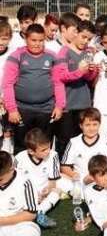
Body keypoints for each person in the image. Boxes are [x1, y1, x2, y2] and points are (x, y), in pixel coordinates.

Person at [3, 24, 64, 154]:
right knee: (22, 145)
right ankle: (21, 173)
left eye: (41, 40)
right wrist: (12, 109)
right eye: (33, 40)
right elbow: (7, 85)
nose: (37, 44)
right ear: (26, 39)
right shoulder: (16, 56)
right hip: (22, 110)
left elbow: (58, 83)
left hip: (46, 109)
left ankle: (44, 172)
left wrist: (59, 106)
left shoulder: (52, 56)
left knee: (43, 145)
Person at [56, 20, 99, 154]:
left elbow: (90, 79)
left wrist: (92, 71)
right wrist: (79, 71)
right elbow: (61, 76)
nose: (86, 41)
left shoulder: (88, 52)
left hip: (84, 105)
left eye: (89, 39)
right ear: (76, 33)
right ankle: (63, 169)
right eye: (83, 37)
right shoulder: (64, 52)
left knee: (81, 140)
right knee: (65, 141)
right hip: (68, 106)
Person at [14, 128, 71, 228]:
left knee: (57, 190)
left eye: (48, 147)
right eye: (43, 150)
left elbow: (52, 179)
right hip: (28, 191)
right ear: (31, 151)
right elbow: (16, 182)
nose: (48, 151)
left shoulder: (53, 155)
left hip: (45, 187)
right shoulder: (19, 158)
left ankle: (39, 211)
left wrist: (48, 190)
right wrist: (33, 195)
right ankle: (35, 210)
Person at [61, 108, 107, 186]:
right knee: (59, 180)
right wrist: (75, 176)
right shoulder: (74, 142)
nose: (91, 128)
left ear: (99, 124)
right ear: (81, 126)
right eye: (87, 125)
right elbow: (64, 166)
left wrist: (98, 178)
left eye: (95, 124)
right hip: (79, 181)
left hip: (101, 182)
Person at [0, 150, 40, 236]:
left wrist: (2, 221)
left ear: (12, 169)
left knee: (31, 231)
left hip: (18, 224)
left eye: (0, 180)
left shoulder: (24, 182)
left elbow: (31, 214)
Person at [0, 20, 12, 153]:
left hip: (8, 99)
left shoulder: (12, 55)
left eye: (4, 39)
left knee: (8, 129)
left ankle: (8, 152)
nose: (1, 42)